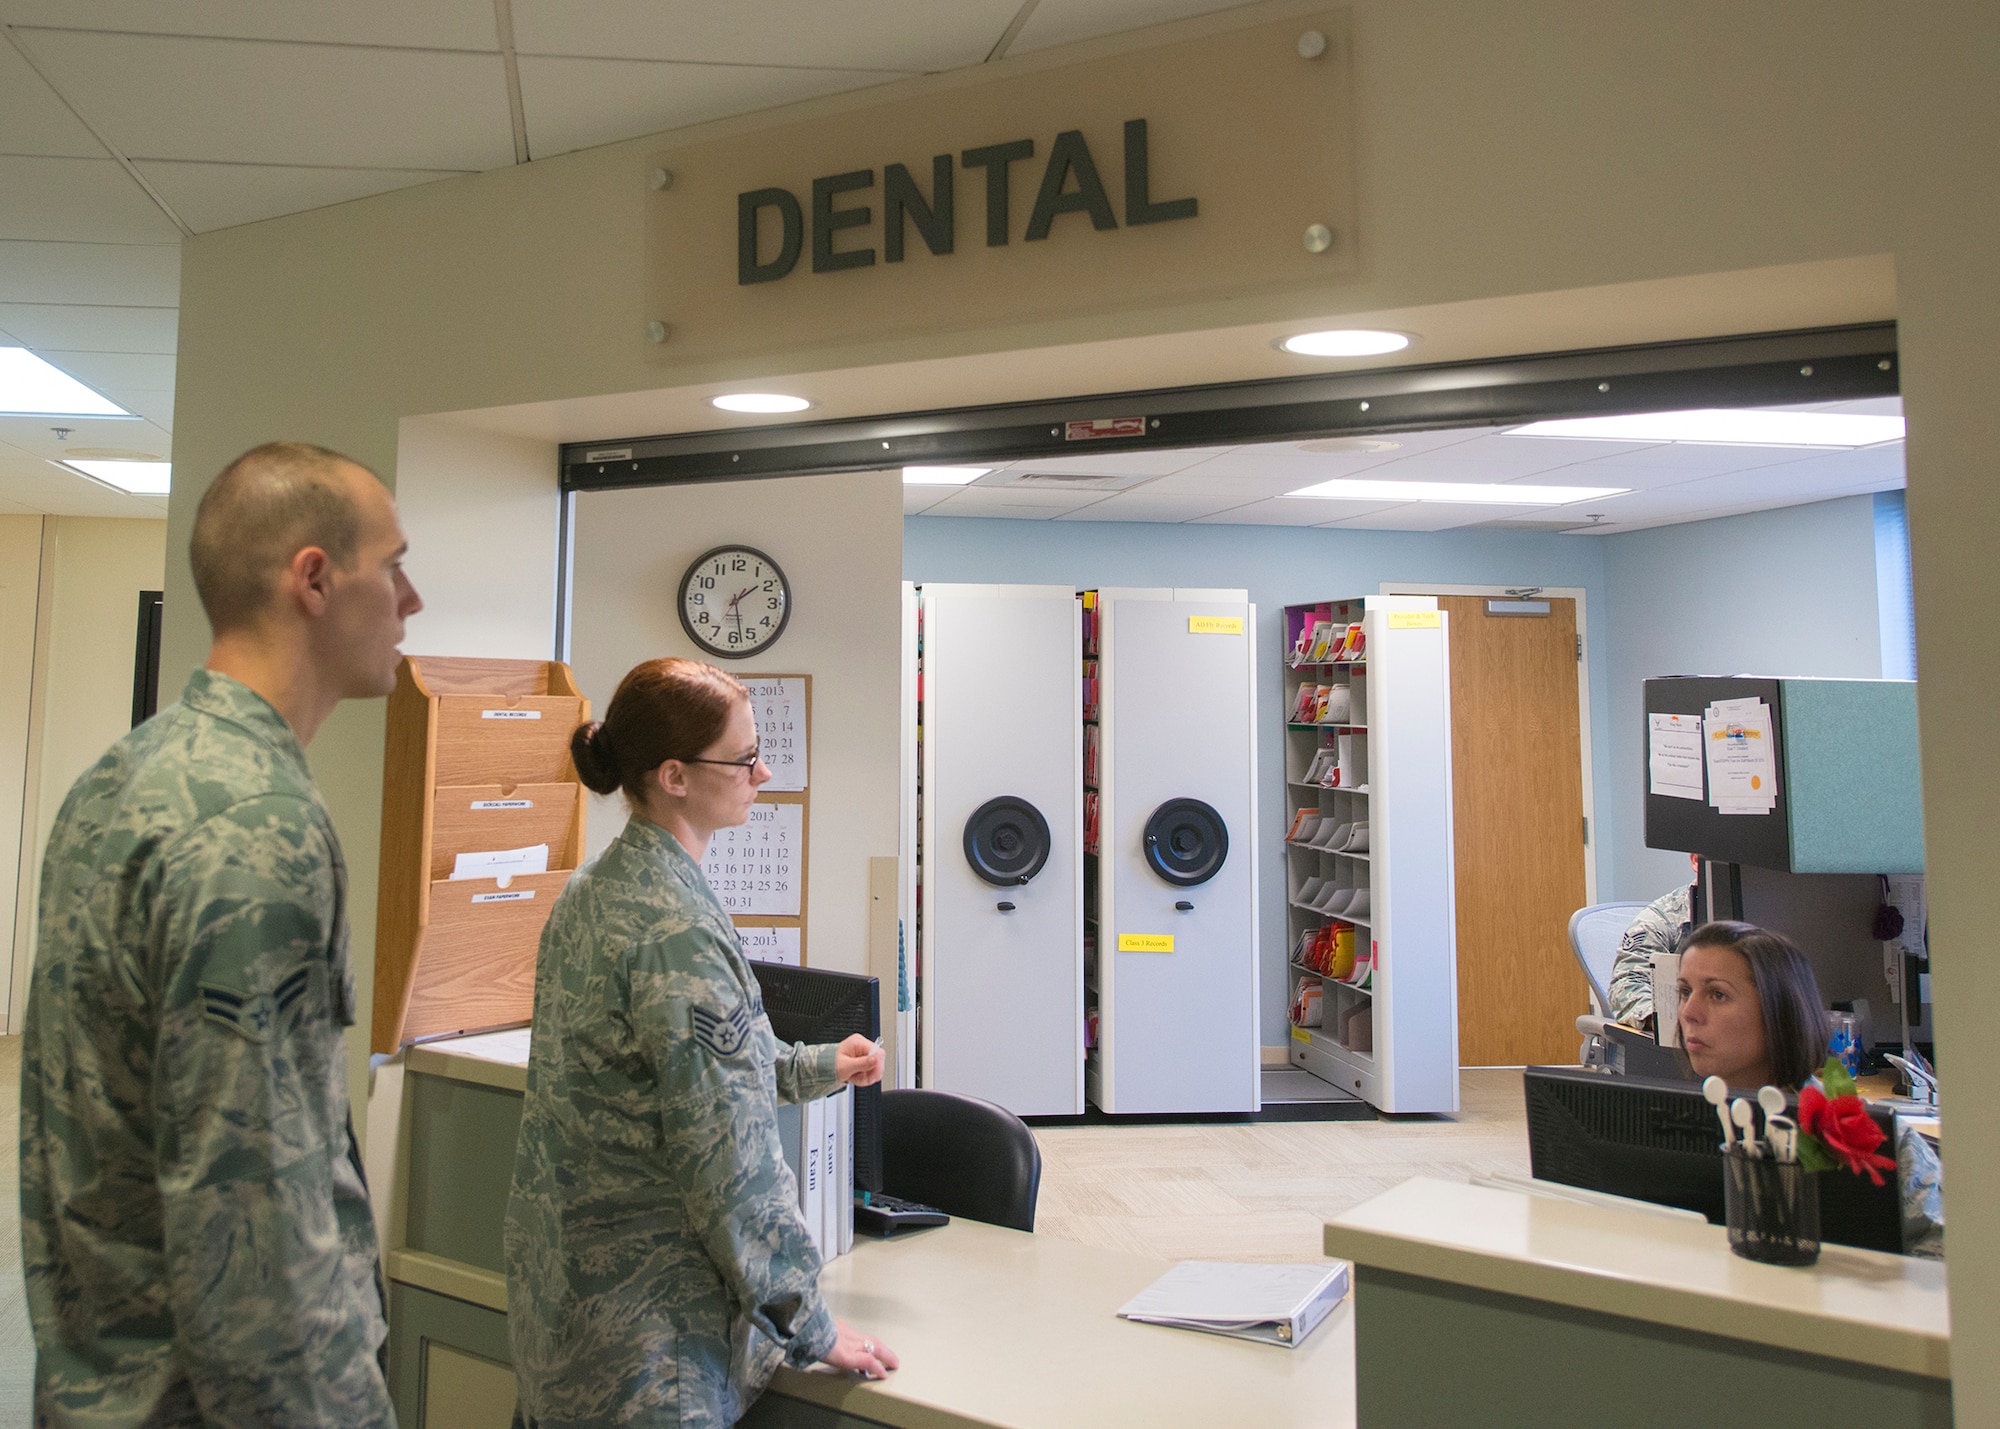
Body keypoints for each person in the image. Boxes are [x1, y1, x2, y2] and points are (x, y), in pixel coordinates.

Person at [21, 442, 422, 1425]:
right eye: (393, 565)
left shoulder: (127, 774)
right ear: (315, 580)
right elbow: (258, 1228)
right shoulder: (254, 826)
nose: (411, 600)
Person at [505, 657, 898, 1428]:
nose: (765, 770)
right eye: (746, 756)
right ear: (676, 776)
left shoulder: (596, 890)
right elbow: (730, 1158)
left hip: (567, 1311)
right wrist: (808, 1321)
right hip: (652, 1344)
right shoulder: (674, 926)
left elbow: (665, 1076)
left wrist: (817, 1064)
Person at [1675, 920, 1943, 1257]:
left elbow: (1947, 1267)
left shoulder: (1870, 1136)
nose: (1689, 1012)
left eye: (1717, 994)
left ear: (1779, 1012)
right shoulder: (1677, 1122)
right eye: (1685, 991)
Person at [1606, 853, 1698, 1027]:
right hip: (1680, 1041)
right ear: (1695, 861)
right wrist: (1669, 1023)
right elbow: (1626, 985)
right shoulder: (1659, 921)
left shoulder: (1753, 911)